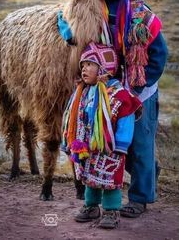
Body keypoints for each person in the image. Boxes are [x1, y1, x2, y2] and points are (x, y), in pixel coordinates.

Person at [58, 0, 168, 218]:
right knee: (105, 143)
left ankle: (140, 198)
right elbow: (80, 36)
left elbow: (159, 54)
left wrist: (136, 89)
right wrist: (68, 29)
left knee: (139, 145)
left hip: (138, 92)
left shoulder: (141, 18)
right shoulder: (95, 11)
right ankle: (102, 194)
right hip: (104, 92)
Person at [61, 42, 142, 229]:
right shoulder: (83, 91)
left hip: (110, 149)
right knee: (89, 178)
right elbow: (75, 117)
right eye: (82, 65)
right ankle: (91, 207)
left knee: (109, 180)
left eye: (90, 64)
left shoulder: (120, 95)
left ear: (105, 68)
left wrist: (121, 144)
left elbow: (126, 121)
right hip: (88, 149)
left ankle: (111, 210)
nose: (84, 69)